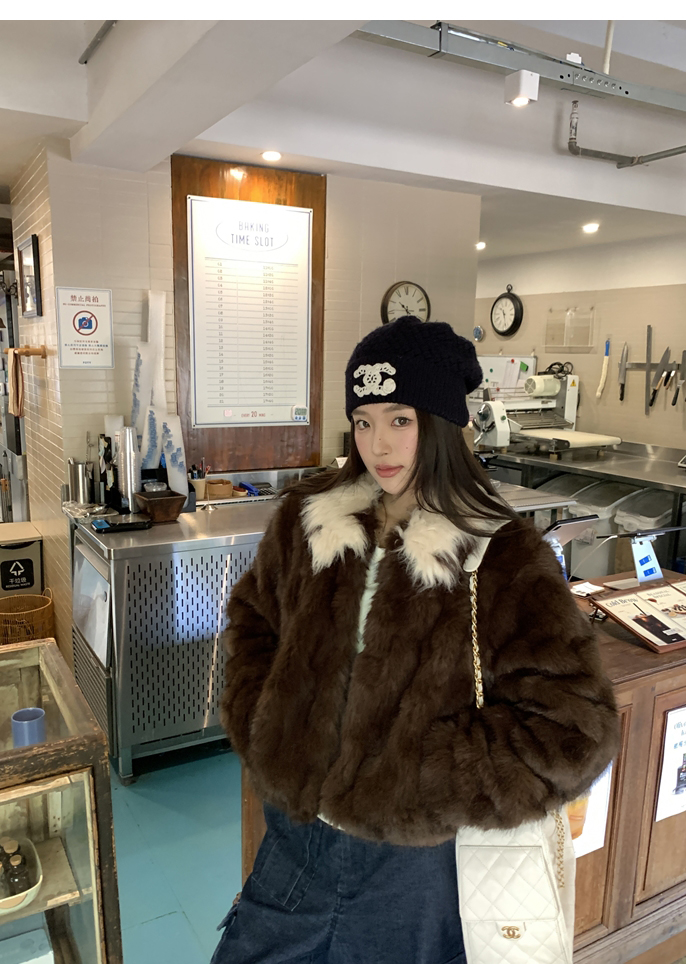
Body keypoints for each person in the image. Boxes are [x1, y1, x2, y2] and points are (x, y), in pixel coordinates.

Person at [213, 316, 620, 964]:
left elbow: (577, 728)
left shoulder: (501, 553)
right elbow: (252, 622)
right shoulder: (308, 520)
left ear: (442, 424)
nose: (378, 443)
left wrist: (422, 774)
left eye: (400, 419)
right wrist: (268, 726)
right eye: (364, 420)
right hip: (296, 840)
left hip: (413, 870)